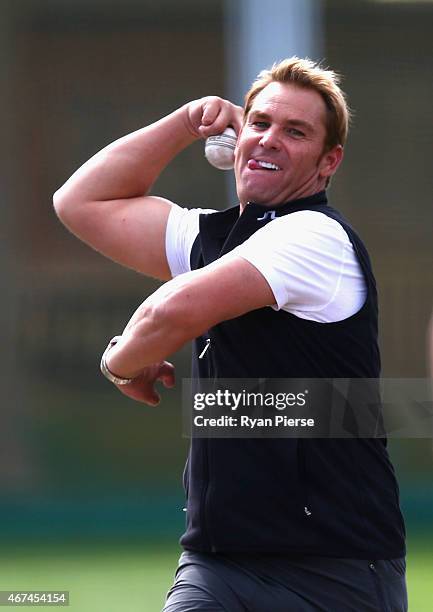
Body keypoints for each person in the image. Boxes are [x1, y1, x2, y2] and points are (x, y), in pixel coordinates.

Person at [54, 57, 407, 611]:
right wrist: (185, 121)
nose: (269, 139)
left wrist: (120, 363)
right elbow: (80, 202)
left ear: (327, 161)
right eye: (259, 123)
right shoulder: (212, 238)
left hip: (335, 568)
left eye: (295, 132)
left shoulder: (317, 237)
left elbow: (171, 314)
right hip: (219, 565)